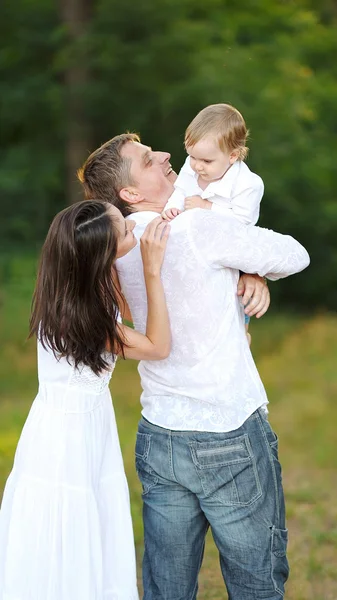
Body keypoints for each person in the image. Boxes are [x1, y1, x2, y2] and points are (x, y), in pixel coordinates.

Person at [79, 133, 310, 600]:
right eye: (149, 159)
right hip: (227, 430)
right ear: (130, 193)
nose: (167, 156)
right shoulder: (197, 228)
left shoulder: (114, 252)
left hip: (158, 433)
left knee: (167, 587)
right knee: (256, 584)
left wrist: (244, 270)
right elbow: (294, 254)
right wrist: (253, 267)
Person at [0, 200, 171, 600]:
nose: (132, 227)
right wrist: (151, 270)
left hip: (81, 422)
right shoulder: (87, 319)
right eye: (125, 232)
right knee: (69, 522)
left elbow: (125, 305)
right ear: (103, 256)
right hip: (67, 436)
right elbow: (157, 346)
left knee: (92, 516)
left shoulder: (76, 284)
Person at [161, 103, 263, 343]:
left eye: (206, 161)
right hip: (199, 255)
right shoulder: (193, 166)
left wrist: (207, 208)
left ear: (232, 156)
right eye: (192, 156)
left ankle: (240, 337)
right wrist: (171, 209)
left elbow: (242, 224)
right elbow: (180, 191)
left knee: (232, 305)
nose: (197, 166)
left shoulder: (248, 184)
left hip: (232, 258)